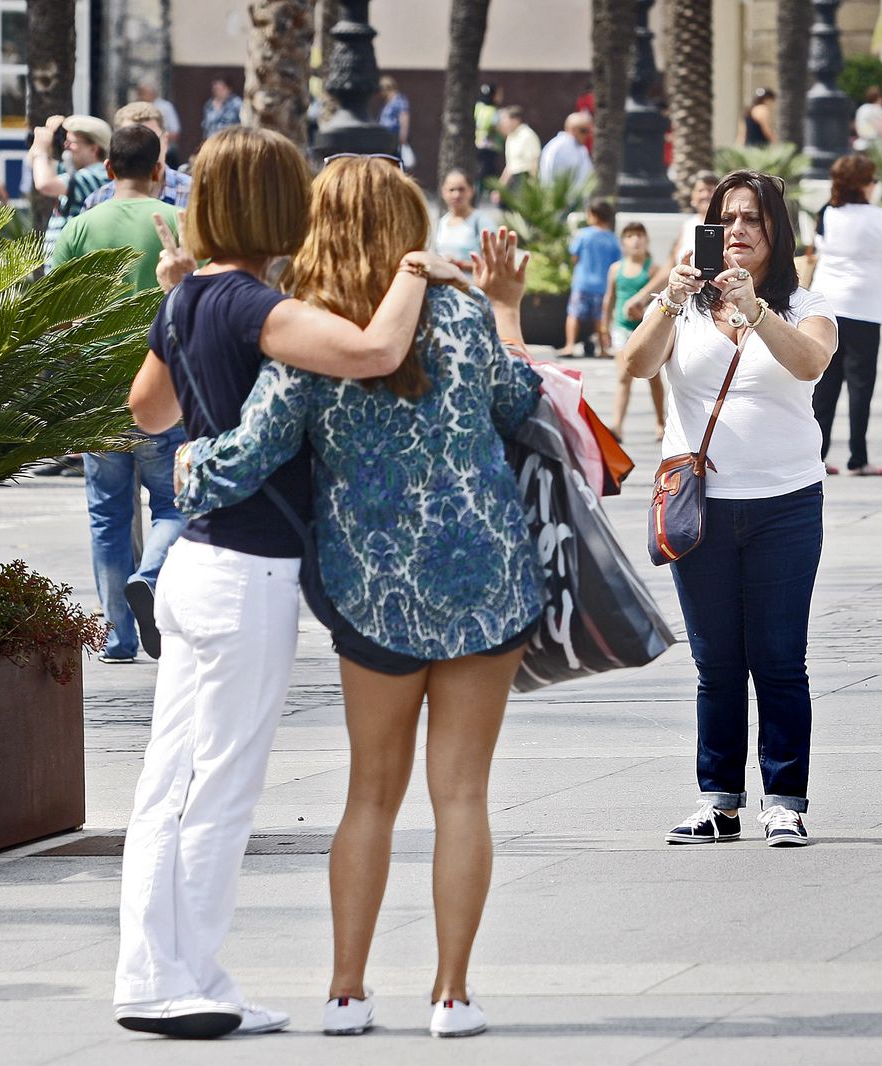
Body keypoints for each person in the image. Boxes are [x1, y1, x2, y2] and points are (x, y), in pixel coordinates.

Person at [173, 160, 542, 1042]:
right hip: (484, 579)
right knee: (463, 796)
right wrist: (505, 306)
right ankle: (453, 997)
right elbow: (521, 402)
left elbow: (246, 454)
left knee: (370, 795)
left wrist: (186, 467)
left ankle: (347, 993)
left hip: (373, 588)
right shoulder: (456, 312)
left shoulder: (314, 335)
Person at [114, 125, 452, 1040]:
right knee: (220, 787)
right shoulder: (252, 306)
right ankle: (180, 982)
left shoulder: (188, 301)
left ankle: (161, 971)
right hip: (246, 575)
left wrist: (184, 324)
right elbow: (376, 351)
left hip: (192, 561)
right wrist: (417, 268)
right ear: (273, 205)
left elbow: (149, 410)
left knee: (168, 783)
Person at [620, 170, 838, 848]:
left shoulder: (805, 304)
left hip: (785, 504)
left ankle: (785, 798)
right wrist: (664, 301)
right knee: (716, 663)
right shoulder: (682, 308)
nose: (739, 230)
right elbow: (633, 364)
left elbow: (810, 363)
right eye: (728, 218)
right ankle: (718, 798)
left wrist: (757, 311)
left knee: (777, 657)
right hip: (701, 507)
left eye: (754, 219)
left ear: (777, 233)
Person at [50, 125, 187, 664]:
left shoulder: (82, 226)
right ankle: (150, 572)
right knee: (174, 505)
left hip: (99, 394)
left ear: (108, 169)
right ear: (159, 170)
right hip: (166, 390)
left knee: (106, 517)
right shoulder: (179, 223)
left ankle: (118, 637)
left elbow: (55, 311)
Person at [809, 153, 882, 476]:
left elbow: (819, 246)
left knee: (824, 388)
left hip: (826, 306)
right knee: (860, 386)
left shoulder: (827, 213)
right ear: (866, 185)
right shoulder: (880, 218)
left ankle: (815, 456)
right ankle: (858, 458)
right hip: (864, 310)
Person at [604, 221, 668, 440]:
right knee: (623, 376)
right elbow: (609, 299)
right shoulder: (615, 269)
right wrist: (604, 327)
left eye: (640, 235)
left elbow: (660, 298)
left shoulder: (653, 269)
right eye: (630, 236)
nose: (636, 240)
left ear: (646, 240)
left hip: (646, 329)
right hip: (621, 329)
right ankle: (617, 425)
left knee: (654, 377)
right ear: (623, 242)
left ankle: (661, 422)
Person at [30, 113, 112, 262]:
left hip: (76, 272)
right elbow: (37, 166)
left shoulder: (100, 176)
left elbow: (44, 184)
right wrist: (47, 137)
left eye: (71, 142)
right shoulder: (77, 173)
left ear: (93, 149)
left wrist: (41, 151)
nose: (66, 147)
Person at [82, 101, 193, 211]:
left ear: (166, 141)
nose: (141, 148)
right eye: (130, 140)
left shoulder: (194, 194)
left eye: (151, 139)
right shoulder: (97, 201)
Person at [563, 199, 622, 356]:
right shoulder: (612, 239)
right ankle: (603, 349)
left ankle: (569, 346)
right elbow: (617, 264)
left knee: (574, 315)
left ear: (593, 215)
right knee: (600, 318)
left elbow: (574, 257)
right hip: (603, 285)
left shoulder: (583, 235)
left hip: (582, 282)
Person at [433, 168, 493, 270]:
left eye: (461, 189)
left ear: (471, 190)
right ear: (443, 192)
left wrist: (460, 264)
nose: (456, 195)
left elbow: (493, 264)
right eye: (451, 190)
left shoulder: (481, 222)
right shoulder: (441, 223)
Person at [673, 170, 720, 265]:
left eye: (710, 190)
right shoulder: (688, 225)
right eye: (700, 190)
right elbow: (671, 264)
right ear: (692, 197)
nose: (705, 195)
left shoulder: (725, 224)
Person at [539, 112, 594, 187]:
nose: (587, 135)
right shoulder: (558, 146)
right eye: (584, 131)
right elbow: (549, 174)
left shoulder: (582, 149)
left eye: (589, 132)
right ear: (572, 129)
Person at [136, 80, 182, 163]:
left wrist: (155, 139)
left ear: (152, 93)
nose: (140, 96)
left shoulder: (165, 108)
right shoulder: (137, 108)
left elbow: (175, 132)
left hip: (165, 154)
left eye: (143, 93)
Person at [377, 75, 415, 170]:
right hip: (386, 137)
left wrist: (403, 135)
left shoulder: (399, 100)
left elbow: (404, 117)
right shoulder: (388, 102)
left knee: (396, 159)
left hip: (394, 137)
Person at [498, 106, 541, 190]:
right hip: (513, 179)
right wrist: (500, 188)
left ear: (515, 120)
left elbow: (534, 162)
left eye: (505, 120)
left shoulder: (527, 135)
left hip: (525, 178)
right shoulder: (510, 137)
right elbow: (510, 165)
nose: (502, 123)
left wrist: (533, 184)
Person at [474, 83, 503, 194]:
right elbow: (497, 127)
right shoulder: (492, 111)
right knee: (487, 172)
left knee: (482, 170)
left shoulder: (478, 107)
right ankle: (483, 193)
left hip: (477, 144)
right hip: (490, 146)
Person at [202, 78, 242, 142]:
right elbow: (206, 127)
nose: (218, 91)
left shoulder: (237, 103)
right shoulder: (209, 105)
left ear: (229, 89)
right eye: (216, 88)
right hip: (212, 142)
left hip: (230, 142)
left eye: (221, 88)